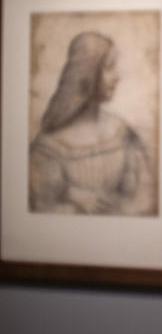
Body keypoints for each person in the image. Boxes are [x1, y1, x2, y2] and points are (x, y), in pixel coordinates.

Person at [29, 31, 155, 216]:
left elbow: (145, 200)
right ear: (88, 73)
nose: (117, 76)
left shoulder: (123, 134)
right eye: (109, 67)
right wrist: (73, 199)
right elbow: (40, 211)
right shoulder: (48, 148)